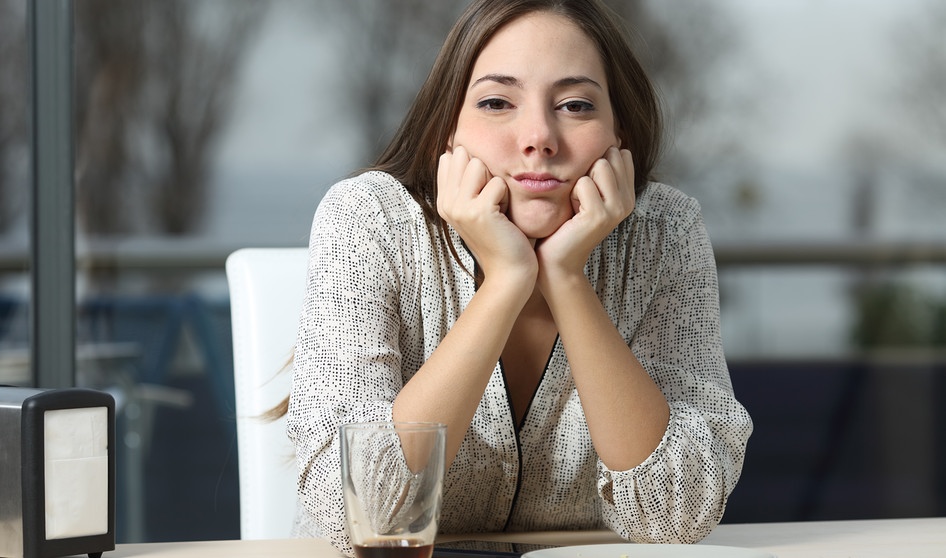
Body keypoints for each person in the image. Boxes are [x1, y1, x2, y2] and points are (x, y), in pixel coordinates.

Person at [285, 0, 753, 554]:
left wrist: (567, 279)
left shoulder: (664, 233)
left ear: (617, 133)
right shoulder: (367, 219)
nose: (539, 137)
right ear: (448, 130)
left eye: (576, 105)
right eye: (496, 102)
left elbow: (679, 515)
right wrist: (506, 281)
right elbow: (364, 516)